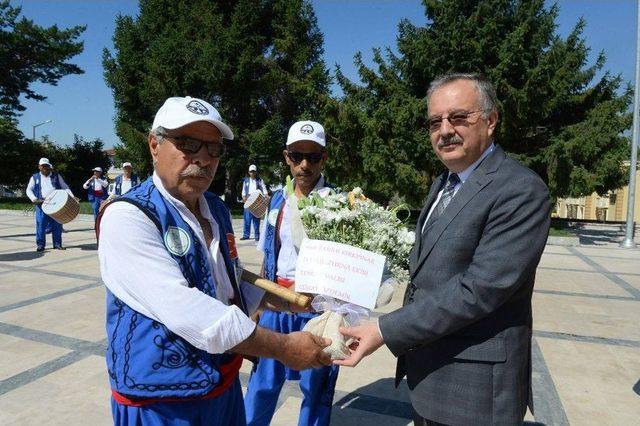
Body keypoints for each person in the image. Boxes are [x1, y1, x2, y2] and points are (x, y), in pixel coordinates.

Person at [98, 96, 331, 425]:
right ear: (154, 145)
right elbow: (188, 310)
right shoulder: (128, 216)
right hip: (162, 402)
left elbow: (227, 283)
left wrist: (288, 302)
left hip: (222, 389)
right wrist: (284, 347)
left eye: (214, 149)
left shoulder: (215, 209)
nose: (203, 158)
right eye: (189, 143)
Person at [335, 73, 551, 425]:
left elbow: (479, 289)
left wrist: (384, 330)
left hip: (475, 391)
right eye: (435, 121)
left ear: (491, 120)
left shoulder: (520, 190)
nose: (445, 130)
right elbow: (432, 265)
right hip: (429, 378)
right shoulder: (443, 183)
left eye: (458, 117)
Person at [244, 120, 339, 426]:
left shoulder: (340, 204)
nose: (304, 164)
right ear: (286, 157)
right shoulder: (275, 201)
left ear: (324, 158)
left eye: (313, 157)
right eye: (297, 155)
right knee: (262, 385)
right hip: (276, 304)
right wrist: (257, 308)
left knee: (316, 389)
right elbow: (268, 257)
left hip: (318, 309)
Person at [26, 157, 75, 252]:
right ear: (39, 167)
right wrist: (34, 199)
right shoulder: (35, 177)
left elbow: (65, 186)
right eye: (43, 166)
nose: (45, 168)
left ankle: (57, 244)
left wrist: (72, 197)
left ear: (49, 166)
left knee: (57, 224)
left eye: (47, 166)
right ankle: (40, 245)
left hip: (56, 203)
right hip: (41, 203)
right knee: (41, 225)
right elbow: (28, 189)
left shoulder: (56, 176)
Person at [241, 164, 268, 241]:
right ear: (249, 172)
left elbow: (264, 189)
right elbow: (243, 191)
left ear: (256, 172)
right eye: (251, 171)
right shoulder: (246, 181)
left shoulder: (260, 180)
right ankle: (246, 235)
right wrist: (244, 198)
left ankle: (257, 236)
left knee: (256, 218)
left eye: (253, 171)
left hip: (257, 199)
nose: (252, 173)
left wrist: (266, 196)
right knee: (247, 219)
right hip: (248, 199)